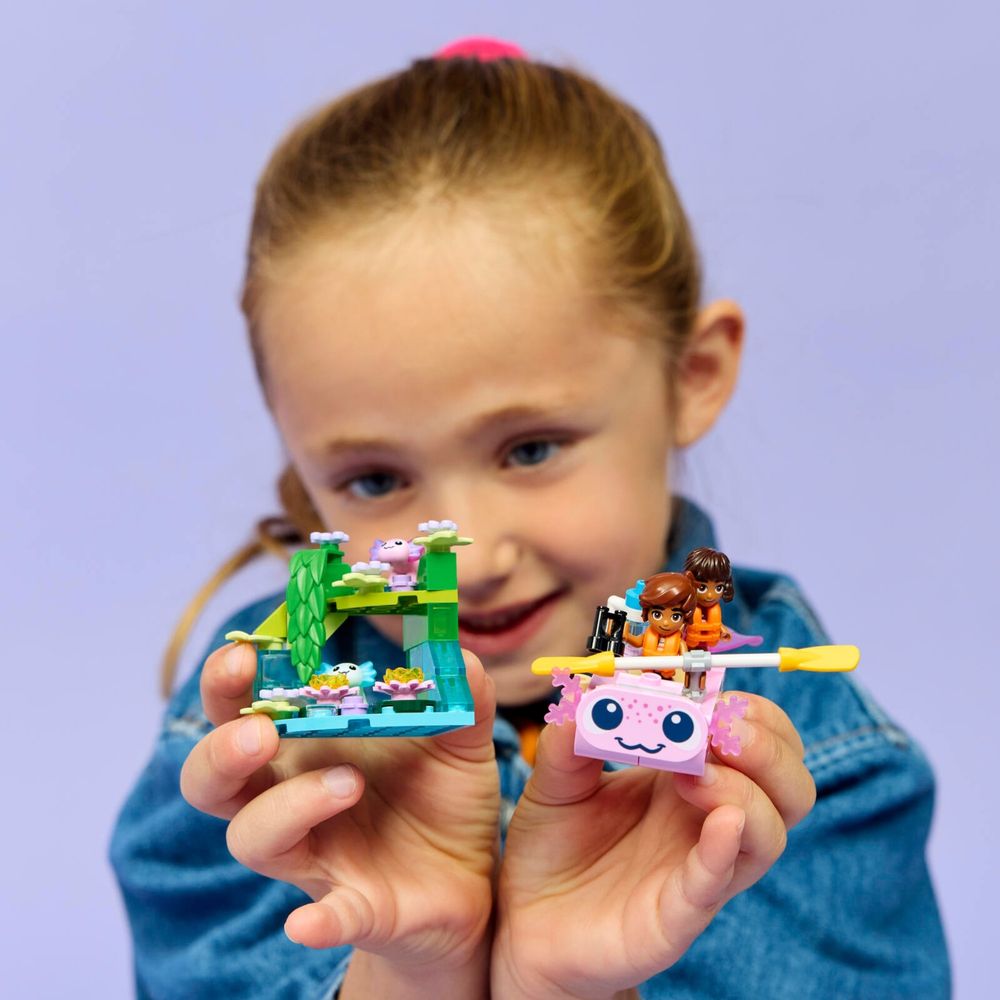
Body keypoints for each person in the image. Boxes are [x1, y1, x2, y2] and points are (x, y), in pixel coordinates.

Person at [110, 38, 950, 1000]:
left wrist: (569, 984)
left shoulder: (819, 759)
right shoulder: (254, 739)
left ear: (693, 375)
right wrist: (413, 970)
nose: (467, 559)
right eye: (375, 479)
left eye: (531, 450)